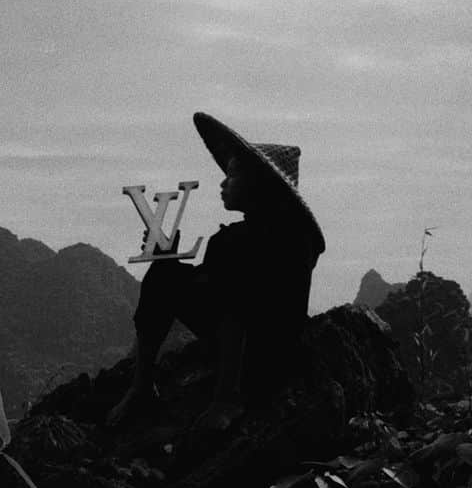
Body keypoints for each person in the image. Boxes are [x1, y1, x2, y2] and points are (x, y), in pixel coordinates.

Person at [108, 112, 326, 430]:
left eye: (234, 175)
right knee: (163, 275)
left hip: (266, 352)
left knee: (176, 279)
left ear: (259, 185)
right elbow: (207, 286)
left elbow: (235, 303)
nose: (223, 182)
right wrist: (168, 261)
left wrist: (224, 400)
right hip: (259, 344)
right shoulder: (250, 238)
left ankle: (225, 397)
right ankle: (141, 388)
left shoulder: (274, 241)